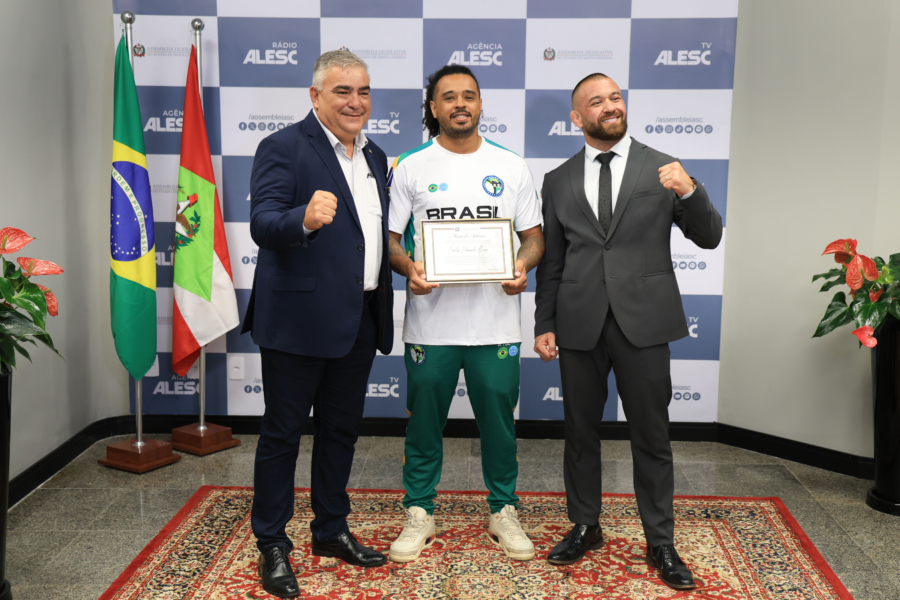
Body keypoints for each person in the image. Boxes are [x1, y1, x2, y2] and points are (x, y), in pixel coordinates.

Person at [533, 73, 722, 590]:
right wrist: (544, 322)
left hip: (645, 322)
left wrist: (690, 189)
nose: (610, 106)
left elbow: (709, 237)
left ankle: (661, 541)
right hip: (579, 323)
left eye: (615, 97)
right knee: (580, 433)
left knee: (652, 437)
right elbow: (552, 262)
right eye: (597, 102)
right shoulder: (557, 179)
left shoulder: (663, 167)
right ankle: (585, 525)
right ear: (577, 118)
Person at [243, 49, 394, 598]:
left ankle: (330, 530)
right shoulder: (283, 146)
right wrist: (302, 220)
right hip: (298, 322)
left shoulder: (374, 154)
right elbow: (262, 223)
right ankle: (272, 543)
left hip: (358, 319)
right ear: (315, 96)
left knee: (341, 433)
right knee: (282, 435)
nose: (356, 102)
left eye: (363, 91)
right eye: (342, 91)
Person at [386, 65, 544, 563]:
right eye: (449, 97)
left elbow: (534, 238)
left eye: (469, 96)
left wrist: (522, 265)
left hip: (495, 323)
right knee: (422, 426)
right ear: (433, 108)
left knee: (499, 426)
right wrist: (408, 267)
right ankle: (419, 511)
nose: (460, 104)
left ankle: (503, 510)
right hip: (429, 324)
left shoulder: (510, 165)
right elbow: (390, 242)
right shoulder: (410, 166)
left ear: (480, 105)